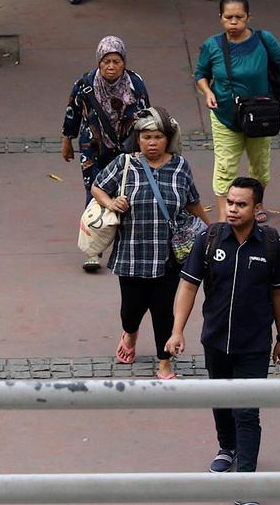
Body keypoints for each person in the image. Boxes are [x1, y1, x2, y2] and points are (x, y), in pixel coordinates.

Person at [166, 177, 280, 492]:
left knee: (247, 411)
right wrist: (177, 330)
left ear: (257, 208)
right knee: (221, 401)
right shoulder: (208, 239)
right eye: (230, 203)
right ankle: (227, 447)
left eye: (241, 204)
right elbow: (188, 285)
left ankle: (246, 483)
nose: (233, 210)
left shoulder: (271, 244)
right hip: (215, 340)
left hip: (254, 346)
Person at [92, 107, 211, 379]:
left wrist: (210, 229)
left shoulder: (180, 166)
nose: (152, 143)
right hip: (131, 253)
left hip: (169, 254)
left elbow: (192, 202)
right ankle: (130, 335)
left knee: (163, 311)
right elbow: (98, 186)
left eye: (157, 137)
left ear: (168, 139)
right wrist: (112, 202)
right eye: (146, 137)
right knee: (130, 311)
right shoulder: (124, 164)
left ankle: (164, 362)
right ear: (138, 139)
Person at [195, 0, 280, 221]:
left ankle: (255, 204)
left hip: (260, 115)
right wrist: (208, 92)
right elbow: (201, 74)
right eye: (228, 17)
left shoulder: (263, 39)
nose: (233, 22)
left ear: (249, 17)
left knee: (260, 165)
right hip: (225, 115)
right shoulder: (213, 45)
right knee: (225, 166)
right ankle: (224, 214)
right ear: (220, 18)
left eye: (239, 17)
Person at [62, 36, 151, 272]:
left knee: (126, 193)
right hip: (93, 147)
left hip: (126, 148)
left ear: (124, 62)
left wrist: (146, 146)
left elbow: (146, 117)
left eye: (116, 61)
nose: (111, 67)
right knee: (94, 191)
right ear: (98, 63)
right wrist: (66, 140)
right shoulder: (85, 84)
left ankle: (127, 244)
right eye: (106, 62)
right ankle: (94, 249)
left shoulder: (136, 83)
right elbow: (72, 112)